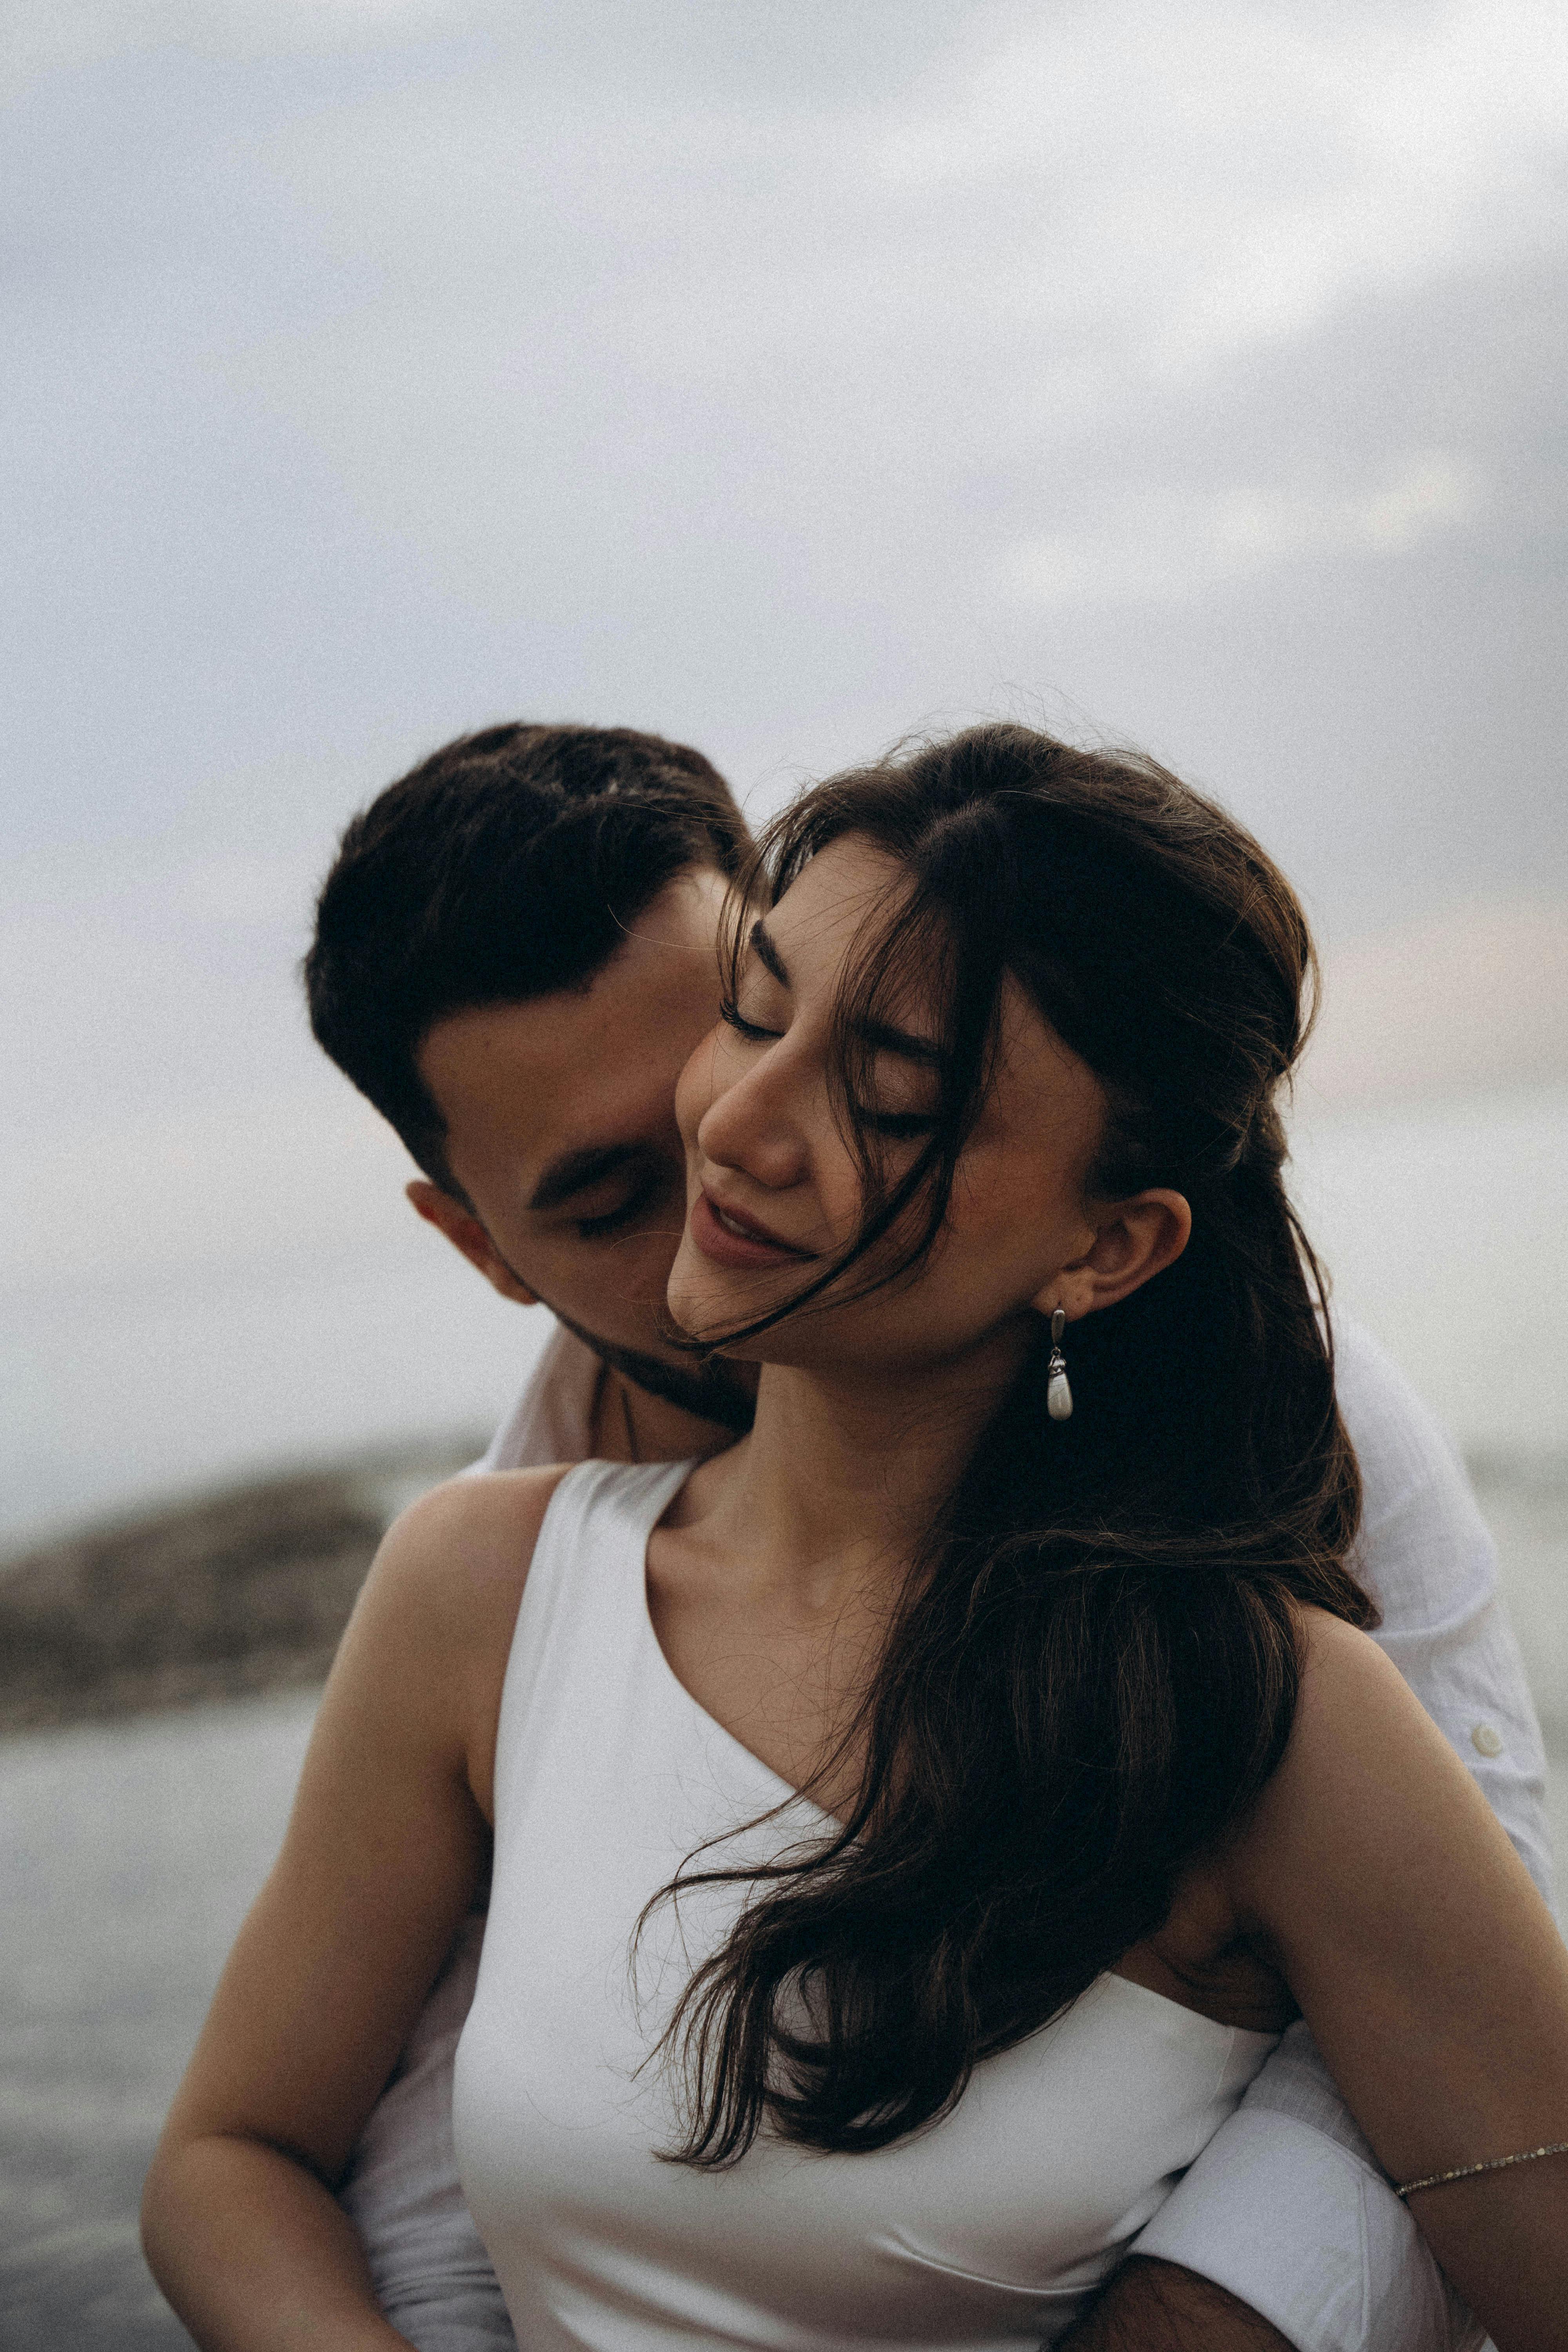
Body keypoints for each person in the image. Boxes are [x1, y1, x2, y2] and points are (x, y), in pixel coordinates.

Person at [142, 722, 1564, 2350]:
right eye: (755, 1018)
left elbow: (1491, 1923)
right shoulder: (487, 1580)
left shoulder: (1274, 1694)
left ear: (1108, 1249)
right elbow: (273, 2154)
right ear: (479, 1243)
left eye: (887, 1099)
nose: (730, 1133)